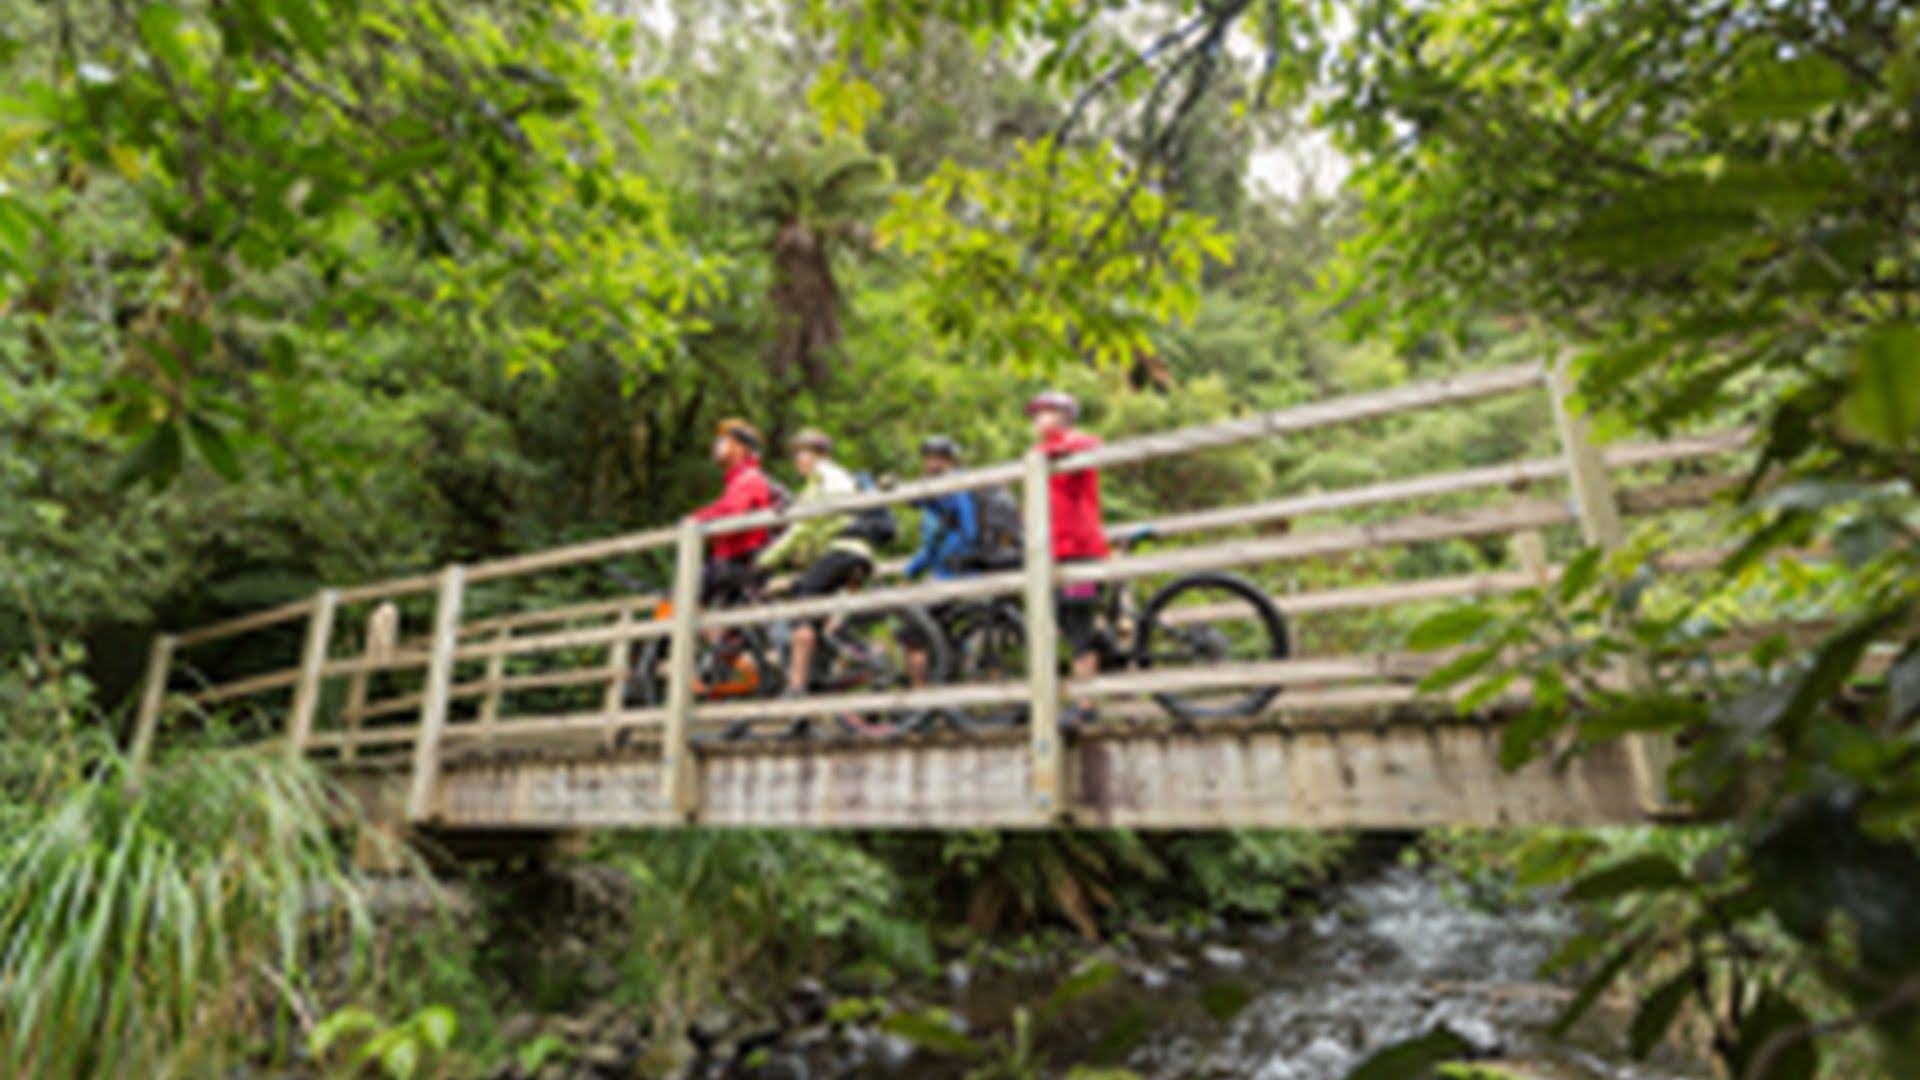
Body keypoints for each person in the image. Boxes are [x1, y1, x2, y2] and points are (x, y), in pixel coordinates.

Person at [754, 428, 877, 698]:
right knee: (816, 607)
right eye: (797, 454)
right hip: (857, 552)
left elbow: (803, 528)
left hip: (842, 549)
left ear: (817, 455)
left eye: (803, 453)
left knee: (804, 607)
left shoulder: (824, 478)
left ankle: (796, 687)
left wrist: (765, 560)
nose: (798, 460)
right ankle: (841, 657)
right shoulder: (829, 479)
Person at [1026, 390, 1111, 725]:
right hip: (1057, 553)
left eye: (1042, 414)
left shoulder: (1070, 446)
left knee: (1079, 624)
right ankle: (1085, 692)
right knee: (1068, 622)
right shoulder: (1047, 459)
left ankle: (1085, 705)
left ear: (1062, 415)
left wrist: (1044, 451)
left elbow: (1093, 444)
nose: (1036, 421)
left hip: (1080, 551)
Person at [902, 435, 979, 688]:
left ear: (952, 462)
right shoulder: (936, 502)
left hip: (957, 573)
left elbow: (969, 532)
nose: (933, 464)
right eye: (929, 458)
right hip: (949, 571)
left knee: (913, 627)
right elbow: (931, 547)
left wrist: (951, 560)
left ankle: (922, 700)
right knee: (935, 632)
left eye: (940, 459)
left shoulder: (956, 489)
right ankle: (943, 688)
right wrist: (910, 571)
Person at [688, 418, 776, 606]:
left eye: (722, 441)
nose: (716, 446)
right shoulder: (738, 480)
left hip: (739, 562)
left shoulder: (748, 478)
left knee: (685, 594)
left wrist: (695, 523)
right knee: (724, 624)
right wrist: (695, 518)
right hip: (732, 561)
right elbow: (721, 509)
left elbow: (731, 515)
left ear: (740, 448)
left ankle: (673, 633)